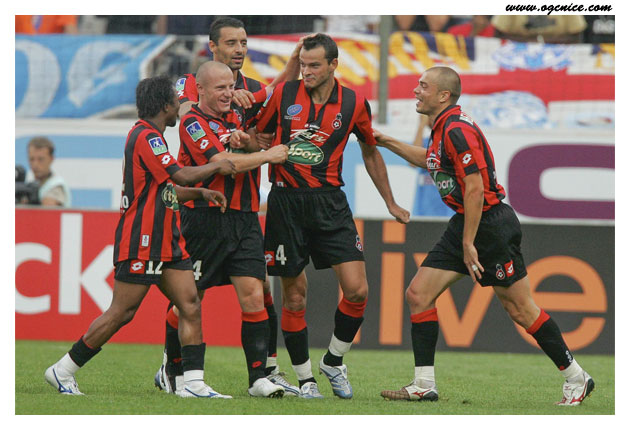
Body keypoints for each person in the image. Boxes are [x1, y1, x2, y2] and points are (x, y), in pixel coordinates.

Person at [374, 66, 594, 406]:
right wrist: (385, 140)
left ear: (443, 95)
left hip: (489, 225)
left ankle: (576, 377)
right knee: (418, 294)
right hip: (467, 220)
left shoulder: (457, 130)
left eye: (423, 86)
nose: (416, 91)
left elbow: (475, 188)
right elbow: (430, 162)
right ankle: (423, 384)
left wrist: (468, 243)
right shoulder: (443, 126)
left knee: (521, 309)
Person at [44, 75, 238, 398]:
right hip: (143, 239)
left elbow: (168, 187)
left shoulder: (153, 137)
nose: (179, 105)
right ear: (165, 106)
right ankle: (63, 369)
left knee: (190, 303)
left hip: (167, 240)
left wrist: (201, 193)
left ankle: (193, 384)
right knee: (122, 312)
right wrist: (217, 166)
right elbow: (180, 174)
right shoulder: (146, 136)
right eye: (176, 101)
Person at [254, 33, 410, 399]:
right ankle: (306, 380)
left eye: (314, 65)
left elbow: (370, 151)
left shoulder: (354, 102)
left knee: (357, 290)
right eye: (303, 65)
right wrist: (248, 145)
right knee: (295, 297)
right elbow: (258, 136)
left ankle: (334, 361)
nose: (306, 72)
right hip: (286, 202)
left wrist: (390, 202)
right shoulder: (284, 94)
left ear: (333, 65)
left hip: (330, 203)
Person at [157, 17, 304, 395]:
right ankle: (173, 368)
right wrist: (237, 131)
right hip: (203, 212)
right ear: (213, 47)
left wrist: (249, 139)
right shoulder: (192, 86)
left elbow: (272, 96)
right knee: (190, 300)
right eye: (231, 42)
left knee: (256, 294)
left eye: (243, 42)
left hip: (245, 212)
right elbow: (191, 115)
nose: (239, 49)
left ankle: (260, 377)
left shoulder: (248, 92)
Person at [25, 137, 71, 207]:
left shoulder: (56, 185)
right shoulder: (30, 184)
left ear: (51, 159)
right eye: (32, 159)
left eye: (41, 159)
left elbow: (48, 210)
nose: (35, 164)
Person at [491, 15, 587, 44]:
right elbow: (498, 35)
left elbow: (576, 37)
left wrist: (540, 42)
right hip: (516, 56)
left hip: (558, 56)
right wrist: (530, 43)